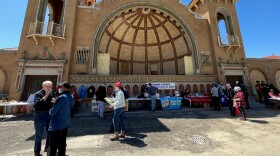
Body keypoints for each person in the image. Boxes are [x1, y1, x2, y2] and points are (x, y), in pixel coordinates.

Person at [48, 82, 74, 156]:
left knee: (53, 147)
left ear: (64, 88)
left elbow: (52, 112)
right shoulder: (71, 96)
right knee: (62, 145)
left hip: (56, 125)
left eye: (61, 87)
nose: (60, 89)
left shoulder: (62, 97)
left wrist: (52, 105)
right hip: (65, 123)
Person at [33, 81, 56, 156]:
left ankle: (48, 148)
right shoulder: (38, 94)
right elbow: (38, 104)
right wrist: (46, 95)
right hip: (40, 114)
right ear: (43, 86)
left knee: (50, 132)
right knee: (39, 134)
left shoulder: (52, 93)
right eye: (47, 86)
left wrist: (54, 101)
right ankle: (37, 152)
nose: (49, 88)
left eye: (50, 86)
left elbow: (52, 102)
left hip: (49, 114)